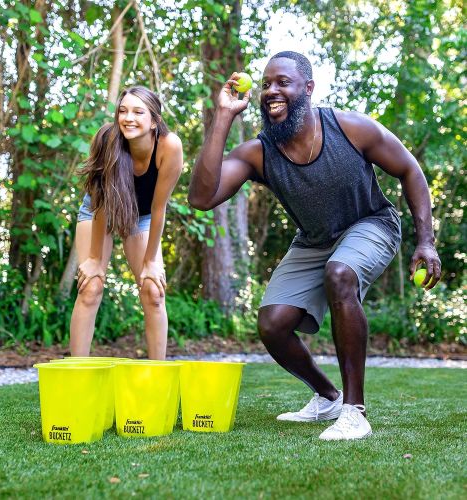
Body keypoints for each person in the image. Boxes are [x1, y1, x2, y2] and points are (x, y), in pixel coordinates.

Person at [188, 52, 441, 440]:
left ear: (307, 88)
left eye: (283, 82)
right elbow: (202, 198)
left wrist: (426, 240)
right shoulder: (259, 152)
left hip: (371, 222)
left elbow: (410, 169)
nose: (272, 90)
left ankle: (355, 412)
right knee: (272, 324)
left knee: (340, 274)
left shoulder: (350, 127)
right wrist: (223, 116)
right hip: (314, 240)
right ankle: (329, 397)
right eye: (267, 84)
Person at [70, 86, 183, 360]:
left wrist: (150, 261)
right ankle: (77, 372)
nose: (128, 118)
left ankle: (158, 375)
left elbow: (158, 209)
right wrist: (95, 259)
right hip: (98, 211)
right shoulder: (107, 139)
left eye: (137, 111)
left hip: (142, 216)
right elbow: (100, 204)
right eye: (123, 110)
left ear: (154, 120)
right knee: (91, 285)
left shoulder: (169, 146)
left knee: (153, 290)